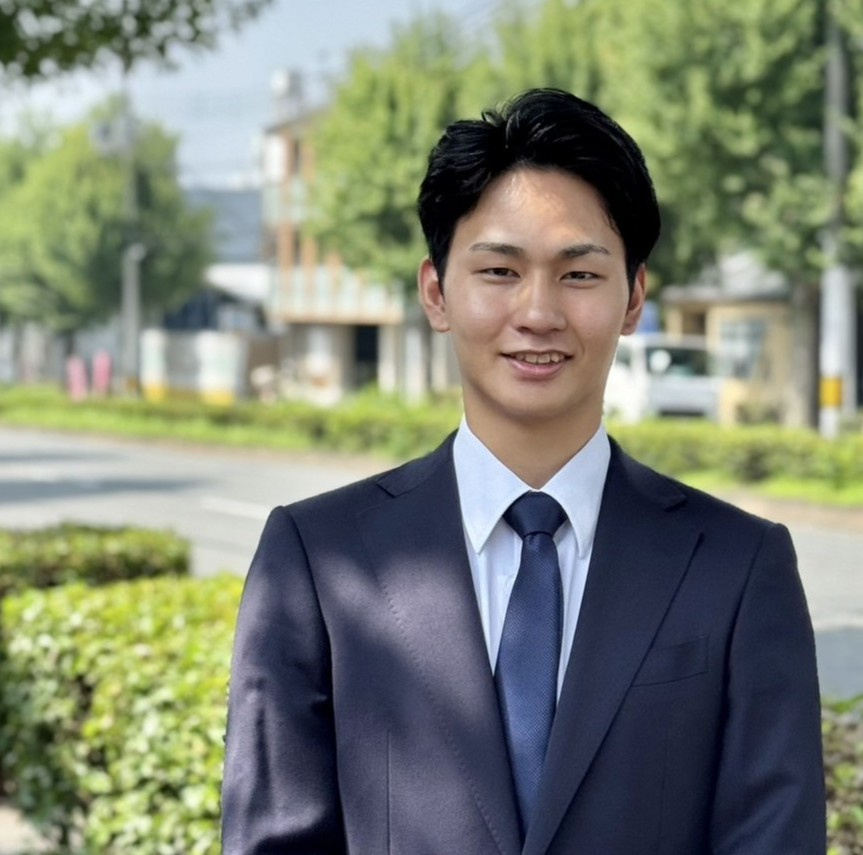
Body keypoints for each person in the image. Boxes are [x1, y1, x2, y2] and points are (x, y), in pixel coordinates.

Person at [221, 88, 826, 854]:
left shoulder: (738, 566)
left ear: (634, 299)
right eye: (500, 270)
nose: (538, 312)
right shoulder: (319, 559)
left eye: (579, 275)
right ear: (437, 292)